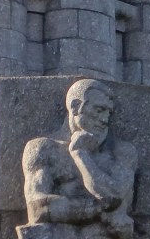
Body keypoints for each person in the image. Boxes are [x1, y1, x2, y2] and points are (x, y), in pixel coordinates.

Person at [20, 79, 137, 239]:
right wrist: (97, 209)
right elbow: (37, 207)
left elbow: (115, 195)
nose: (105, 120)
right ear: (75, 106)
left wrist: (81, 155)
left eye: (108, 113)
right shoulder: (44, 148)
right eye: (99, 110)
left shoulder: (122, 152)